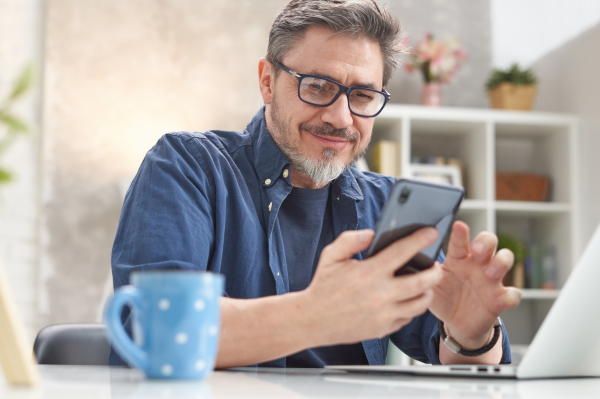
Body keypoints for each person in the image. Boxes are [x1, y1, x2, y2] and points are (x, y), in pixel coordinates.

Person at [110, 0, 521, 368]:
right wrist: (315, 315)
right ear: (268, 81)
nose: (341, 118)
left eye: (362, 96)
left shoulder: (385, 204)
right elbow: (157, 332)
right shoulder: (188, 167)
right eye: (318, 87)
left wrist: (471, 333)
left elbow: (450, 352)